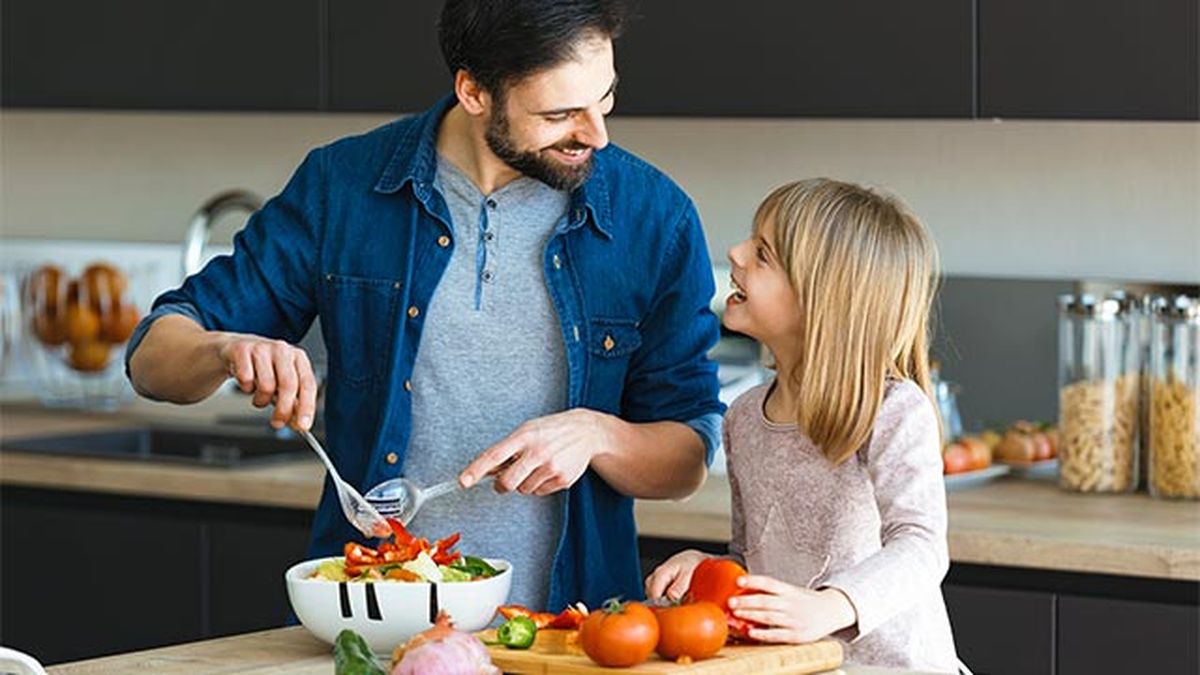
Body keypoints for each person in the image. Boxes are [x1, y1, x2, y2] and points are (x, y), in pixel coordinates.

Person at [126, 0, 723, 612]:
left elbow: (688, 457)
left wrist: (598, 436)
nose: (597, 134)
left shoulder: (654, 217)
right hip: (372, 624)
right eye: (560, 114)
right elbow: (152, 357)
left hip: (572, 631)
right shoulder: (343, 186)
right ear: (473, 92)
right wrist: (225, 348)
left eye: (605, 97)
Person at [645, 179, 961, 673]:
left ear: (823, 299)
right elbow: (755, 560)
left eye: (763, 254)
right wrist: (712, 572)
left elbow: (921, 547)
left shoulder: (893, 410)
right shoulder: (744, 417)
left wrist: (830, 606)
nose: (735, 253)